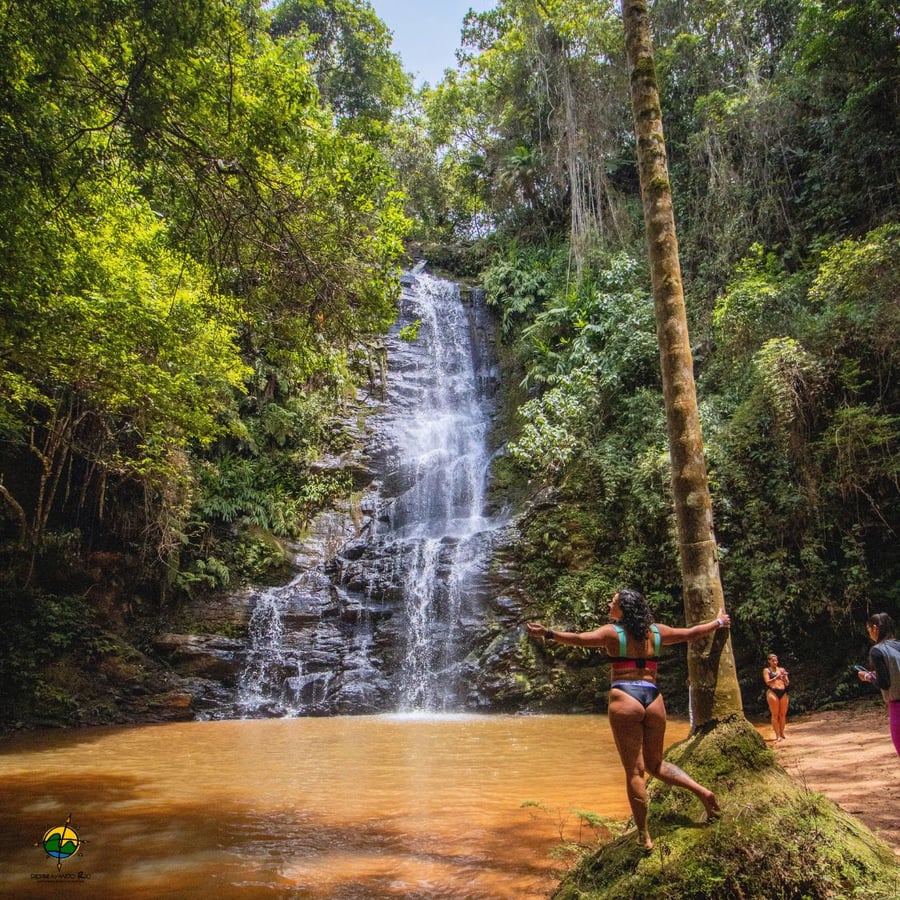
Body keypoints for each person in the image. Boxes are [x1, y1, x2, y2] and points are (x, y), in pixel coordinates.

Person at [526, 588, 729, 852]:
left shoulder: (612, 633)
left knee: (635, 771)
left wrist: (548, 633)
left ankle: (643, 835)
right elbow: (690, 633)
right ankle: (703, 792)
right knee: (656, 764)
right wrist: (718, 622)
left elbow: (578, 639)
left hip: (625, 696)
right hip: (653, 698)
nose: (610, 604)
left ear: (623, 609)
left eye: (613, 602)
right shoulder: (657, 632)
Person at [857, 612, 900, 756]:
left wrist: (868, 676)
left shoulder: (877, 651)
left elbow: (884, 683)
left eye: (869, 630)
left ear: (875, 628)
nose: (870, 634)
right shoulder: (898, 646)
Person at [762, 653, 790, 743]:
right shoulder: (767, 670)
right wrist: (776, 677)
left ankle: (782, 733)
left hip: (783, 692)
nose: (775, 662)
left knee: (782, 714)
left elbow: (787, 683)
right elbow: (767, 682)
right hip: (772, 692)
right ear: (769, 661)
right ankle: (777, 735)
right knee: (775, 714)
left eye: (776, 660)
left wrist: (785, 677)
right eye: (773, 660)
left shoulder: (781, 669)